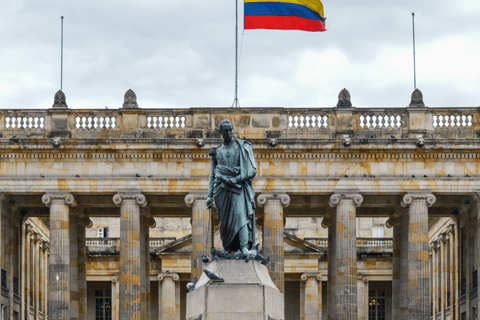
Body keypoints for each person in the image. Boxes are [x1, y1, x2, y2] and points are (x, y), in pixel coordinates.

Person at [206, 119, 257, 257]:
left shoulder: (242, 147)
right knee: (224, 221)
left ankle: (244, 247)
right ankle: (228, 248)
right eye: (226, 130)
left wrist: (236, 179)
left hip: (238, 187)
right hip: (221, 189)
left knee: (240, 215)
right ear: (221, 132)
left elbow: (252, 170)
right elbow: (212, 175)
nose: (229, 133)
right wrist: (209, 196)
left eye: (230, 130)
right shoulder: (216, 152)